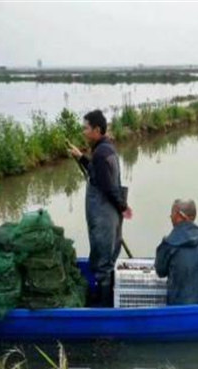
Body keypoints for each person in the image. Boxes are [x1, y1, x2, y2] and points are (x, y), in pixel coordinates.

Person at [68, 110, 132, 307]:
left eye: (86, 128)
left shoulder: (102, 153)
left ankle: (104, 308)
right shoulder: (106, 149)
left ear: (97, 130)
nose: (83, 132)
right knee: (106, 259)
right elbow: (98, 174)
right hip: (109, 215)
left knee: (103, 265)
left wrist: (123, 207)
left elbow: (107, 186)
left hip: (104, 216)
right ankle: (107, 300)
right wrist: (81, 157)